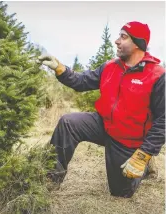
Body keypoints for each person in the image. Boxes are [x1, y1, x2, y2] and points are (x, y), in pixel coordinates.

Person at [37, 21, 165, 198]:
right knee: (69, 122)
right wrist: (60, 68)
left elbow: (163, 120)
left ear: (138, 43)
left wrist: (143, 154)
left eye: (123, 36)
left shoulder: (157, 75)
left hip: (129, 139)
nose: (116, 41)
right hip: (103, 124)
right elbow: (81, 81)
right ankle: (50, 179)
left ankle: (144, 166)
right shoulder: (110, 67)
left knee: (120, 192)